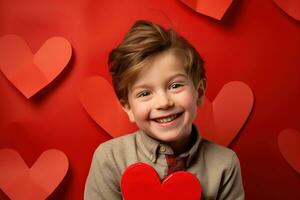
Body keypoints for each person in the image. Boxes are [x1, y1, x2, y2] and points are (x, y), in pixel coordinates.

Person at [84, 20, 244, 200]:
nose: (163, 102)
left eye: (175, 85)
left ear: (199, 92)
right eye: (145, 93)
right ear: (128, 108)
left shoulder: (225, 164)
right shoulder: (109, 158)